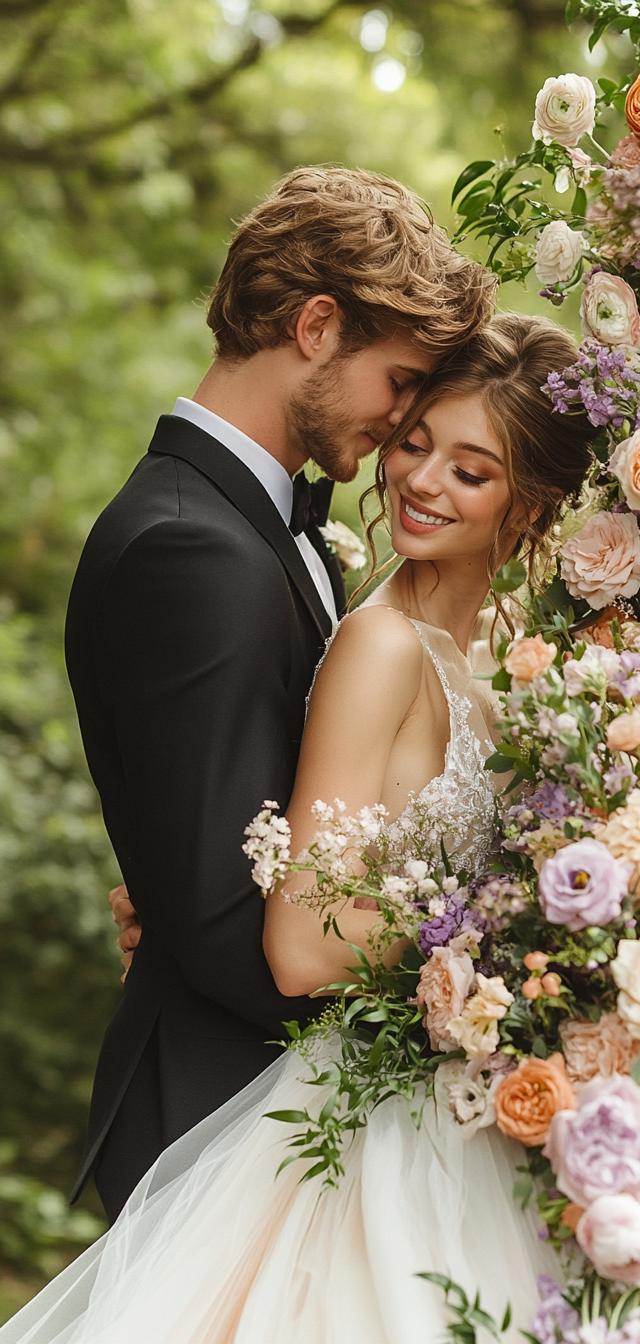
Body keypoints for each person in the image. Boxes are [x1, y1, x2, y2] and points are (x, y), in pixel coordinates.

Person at [4, 313, 593, 1343]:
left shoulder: (500, 653)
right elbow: (304, 937)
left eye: (471, 470)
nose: (419, 480)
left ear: (529, 505)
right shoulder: (379, 647)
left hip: (459, 1107)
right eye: (415, 443)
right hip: (360, 1129)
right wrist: (515, 941)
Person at [63, 164, 496, 1221]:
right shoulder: (188, 546)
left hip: (285, 1112)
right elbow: (222, 920)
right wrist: (467, 989)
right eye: (399, 383)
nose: (402, 426)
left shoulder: (265, 529)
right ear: (313, 325)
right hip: (221, 1125)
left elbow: (241, 834)